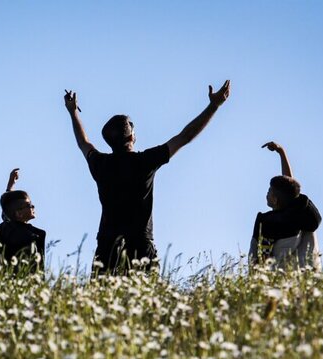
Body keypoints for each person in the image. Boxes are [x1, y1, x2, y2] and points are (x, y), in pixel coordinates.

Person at [64, 81, 231, 274]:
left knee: (101, 302)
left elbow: (83, 142)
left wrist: (72, 112)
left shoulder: (100, 164)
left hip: (107, 246)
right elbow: (185, 136)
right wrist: (213, 106)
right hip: (140, 246)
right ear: (132, 138)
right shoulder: (145, 161)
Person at [249, 142, 322, 269]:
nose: (267, 193)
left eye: (269, 191)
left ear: (275, 200)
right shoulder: (303, 215)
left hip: (281, 279)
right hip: (308, 277)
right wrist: (281, 152)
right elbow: (289, 187)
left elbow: (260, 257)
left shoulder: (269, 223)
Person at [0, 168, 46, 274]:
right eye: (28, 205)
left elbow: (7, 211)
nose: (32, 206)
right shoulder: (13, 232)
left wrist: (10, 186)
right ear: (18, 214)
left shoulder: (9, 226)